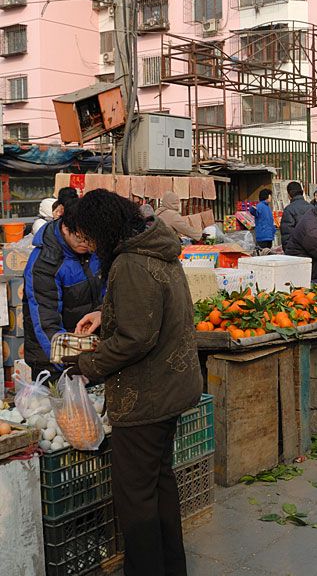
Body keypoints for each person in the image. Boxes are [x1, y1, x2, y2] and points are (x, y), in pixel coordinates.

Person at [70, 190, 202, 576]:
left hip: (146, 396)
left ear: (105, 229)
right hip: (172, 386)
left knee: (135, 497)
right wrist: (102, 312)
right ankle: (170, 567)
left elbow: (135, 339)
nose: (89, 246)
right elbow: (147, 311)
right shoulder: (157, 248)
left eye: (90, 237)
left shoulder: (129, 263)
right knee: (158, 482)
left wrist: (87, 364)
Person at [23, 200, 103, 378]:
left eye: (92, 239)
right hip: (53, 361)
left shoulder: (93, 251)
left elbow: (107, 293)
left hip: (90, 353)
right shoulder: (45, 263)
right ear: (66, 228)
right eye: (82, 238)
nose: (88, 244)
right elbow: (46, 323)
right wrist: (69, 365)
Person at [280, 182, 312, 248]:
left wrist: (288, 251)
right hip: (313, 248)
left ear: (289, 195)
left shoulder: (288, 210)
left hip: (297, 250)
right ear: (302, 192)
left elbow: (287, 234)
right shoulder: (312, 208)